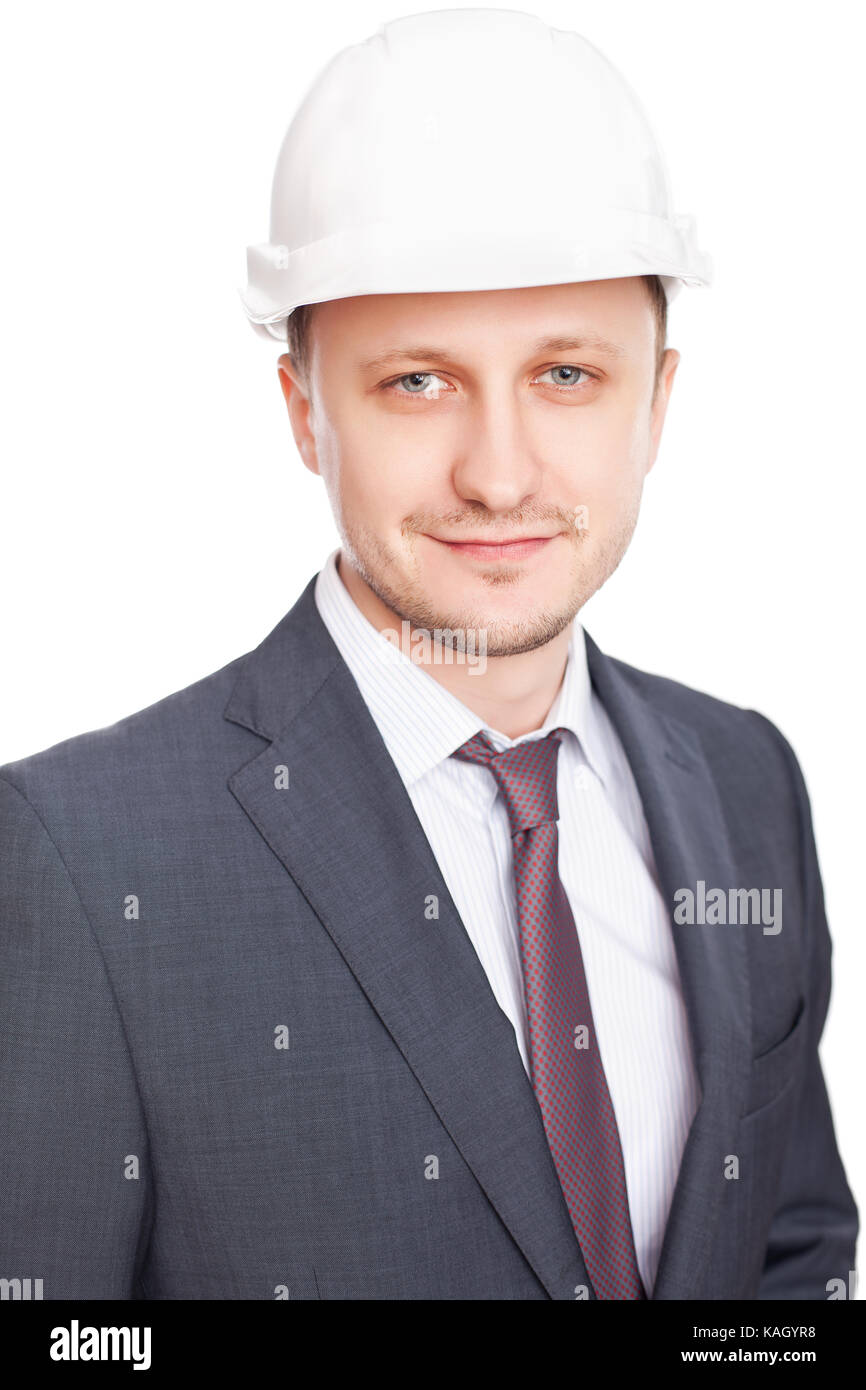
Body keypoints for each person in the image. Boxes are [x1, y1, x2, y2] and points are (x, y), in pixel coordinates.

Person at [0, 8, 857, 1301]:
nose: (497, 472)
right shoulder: (78, 852)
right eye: (416, 382)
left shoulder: (744, 785)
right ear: (302, 409)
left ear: (657, 403)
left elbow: (787, 1261)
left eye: (565, 375)